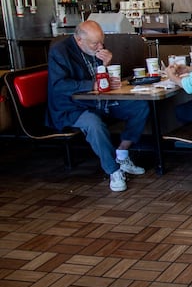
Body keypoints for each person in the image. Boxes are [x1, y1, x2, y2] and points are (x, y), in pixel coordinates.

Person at [47, 20, 149, 192]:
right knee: (94, 124)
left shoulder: (95, 46)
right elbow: (59, 85)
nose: (100, 46)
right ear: (79, 40)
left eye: (101, 41)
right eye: (95, 43)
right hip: (71, 106)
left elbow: (100, 78)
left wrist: (106, 64)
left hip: (97, 100)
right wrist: (91, 85)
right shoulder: (60, 51)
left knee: (139, 106)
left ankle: (122, 154)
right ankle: (113, 170)